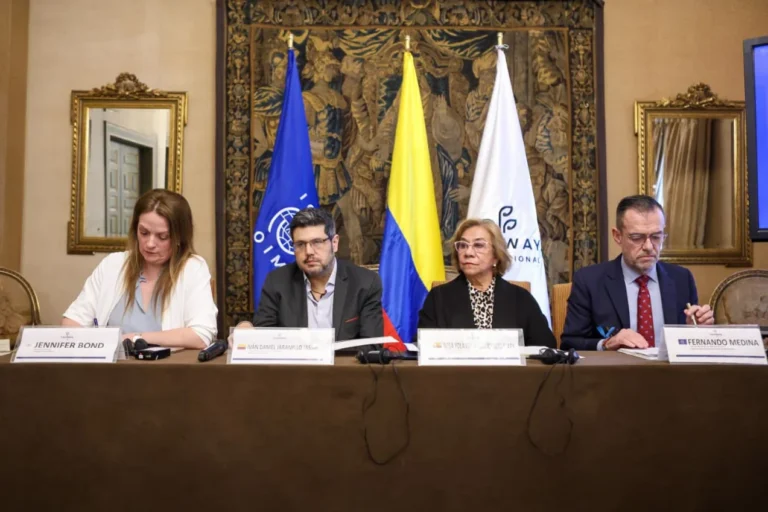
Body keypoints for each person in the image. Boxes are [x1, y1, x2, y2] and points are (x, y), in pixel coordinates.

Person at [63, 189, 217, 349]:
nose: (150, 243)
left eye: (162, 237)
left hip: (167, 365)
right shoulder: (113, 264)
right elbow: (72, 321)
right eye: (144, 233)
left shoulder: (192, 268)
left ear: (179, 237)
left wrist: (135, 338)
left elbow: (201, 335)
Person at [561, 195, 714, 351]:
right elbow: (570, 343)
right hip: (616, 366)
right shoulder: (589, 281)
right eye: (637, 237)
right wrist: (607, 343)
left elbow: (689, 347)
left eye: (656, 237)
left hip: (667, 367)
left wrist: (696, 331)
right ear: (617, 236)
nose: (648, 246)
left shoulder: (682, 279)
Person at [238, 207, 383, 341]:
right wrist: (247, 329)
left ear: (334, 243)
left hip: (344, 362)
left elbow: (371, 345)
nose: (308, 252)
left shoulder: (365, 283)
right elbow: (264, 338)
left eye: (317, 242)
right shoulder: (277, 282)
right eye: (300, 244)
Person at [418, 218, 556, 347]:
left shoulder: (521, 298)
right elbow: (425, 347)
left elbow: (546, 347)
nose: (468, 252)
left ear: (496, 256)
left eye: (478, 245)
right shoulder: (439, 297)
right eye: (463, 245)